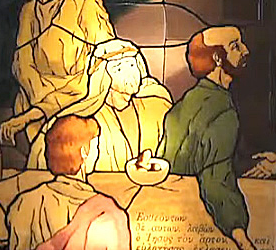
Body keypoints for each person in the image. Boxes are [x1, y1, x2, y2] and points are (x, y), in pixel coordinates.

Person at [157, 26, 271, 250]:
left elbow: (204, 158)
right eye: (236, 46)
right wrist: (245, 244)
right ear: (218, 58)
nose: (246, 51)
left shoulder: (186, 104)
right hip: (203, 227)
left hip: (173, 226)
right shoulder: (223, 113)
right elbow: (215, 180)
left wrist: (256, 163)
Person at [0, 115, 140, 250]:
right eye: (96, 146)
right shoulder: (108, 217)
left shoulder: (22, 204)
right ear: (84, 152)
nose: (98, 152)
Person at [0, 0, 115, 148]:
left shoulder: (87, 5)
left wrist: (39, 111)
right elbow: (22, 66)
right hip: (31, 111)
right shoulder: (28, 11)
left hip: (81, 111)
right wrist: (39, 109)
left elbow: (103, 69)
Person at [26, 39, 173, 172]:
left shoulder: (155, 106)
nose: (130, 79)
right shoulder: (80, 124)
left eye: (132, 65)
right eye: (118, 69)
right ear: (101, 80)